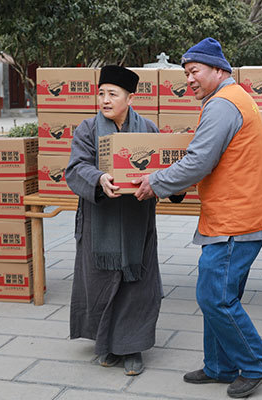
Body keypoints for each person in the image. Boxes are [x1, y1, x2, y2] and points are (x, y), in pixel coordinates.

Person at [132, 38, 262, 398]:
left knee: (215, 297)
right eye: (186, 74)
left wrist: (155, 182)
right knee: (218, 293)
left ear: (218, 69)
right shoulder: (232, 99)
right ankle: (219, 366)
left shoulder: (223, 105)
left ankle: (258, 363)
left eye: (194, 71)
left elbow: (199, 161)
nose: (190, 80)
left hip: (238, 218)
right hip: (237, 213)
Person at [66, 65, 161, 376]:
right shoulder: (87, 129)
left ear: (130, 97)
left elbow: (161, 166)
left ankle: (132, 348)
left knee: (137, 284)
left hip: (137, 219)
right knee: (101, 283)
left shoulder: (147, 129)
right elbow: (76, 166)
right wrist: (98, 178)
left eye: (113, 94)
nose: (105, 100)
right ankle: (106, 343)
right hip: (100, 219)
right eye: (101, 93)